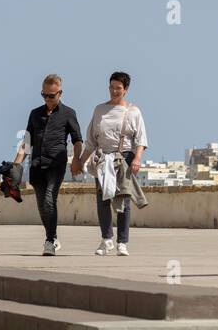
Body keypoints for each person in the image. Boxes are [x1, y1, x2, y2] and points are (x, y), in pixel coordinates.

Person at [75, 71, 149, 256]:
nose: (114, 91)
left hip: (124, 158)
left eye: (118, 88)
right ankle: (106, 239)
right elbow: (91, 140)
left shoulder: (133, 112)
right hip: (102, 158)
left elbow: (140, 140)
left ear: (125, 90)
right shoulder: (99, 110)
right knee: (103, 200)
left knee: (123, 199)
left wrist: (137, 159)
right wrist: (80, 161)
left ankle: (122, 242)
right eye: (112, 87)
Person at [12, 73, 82, 255]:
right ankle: (53, 236)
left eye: (51, 96)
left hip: (56, 164)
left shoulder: (69, 113)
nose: (47, 99)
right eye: (44, 95)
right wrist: (15, 166)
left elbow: (77, 140)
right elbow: (27, 142)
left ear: (60, 93)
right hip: (36, 166)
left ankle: (49, 241)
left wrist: (76, 159)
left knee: (50, 198)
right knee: (43, 205)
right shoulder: (35, 114)